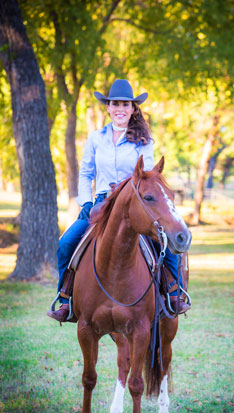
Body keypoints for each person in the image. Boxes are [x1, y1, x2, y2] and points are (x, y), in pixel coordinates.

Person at [47, 79, 190, 322]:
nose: (120, 109)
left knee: (164, 242)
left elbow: (145, 176)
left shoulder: (144, 140)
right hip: (100, 204)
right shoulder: (95, 138)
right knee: (66, 244)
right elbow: (85, 173)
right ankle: (66, 298)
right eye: (115, 104)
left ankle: (173, 292)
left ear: (133, 108)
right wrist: (86, 203)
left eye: (125, 104)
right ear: (108, 107)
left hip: (133, 204)